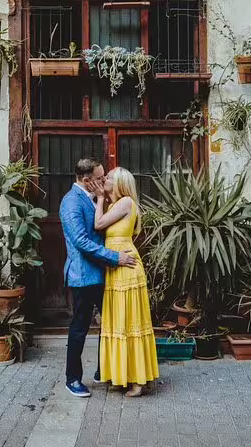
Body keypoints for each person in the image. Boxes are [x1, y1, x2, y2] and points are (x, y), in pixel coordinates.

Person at [59, 158, 137, 398]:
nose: (104, 181)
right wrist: (116, 258)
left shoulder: (93, 198)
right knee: (80, 329)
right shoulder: (71, 202)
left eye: (105, 177)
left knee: (109, 325)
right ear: (86, 180)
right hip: (83, 275)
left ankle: (105, 370)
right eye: (100, 178)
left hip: (102, 273)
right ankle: (72, 379)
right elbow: (82, 242)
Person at [90, 166, 159, 397]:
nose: (104, 179)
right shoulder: (116, 204)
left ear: (119, 182)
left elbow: (98, 224)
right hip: (116, 265)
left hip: (125, 266)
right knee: (119, 320)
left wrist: (99, 198)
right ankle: (124, 376)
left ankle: (138, 380)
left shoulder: (126, 202)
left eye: (108, 177)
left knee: (129, 320)